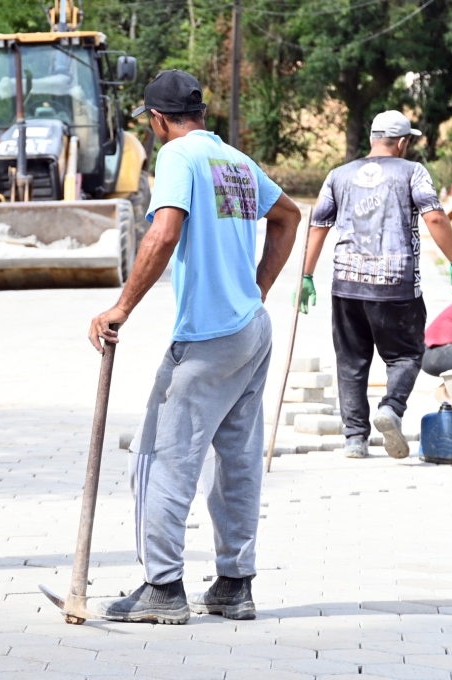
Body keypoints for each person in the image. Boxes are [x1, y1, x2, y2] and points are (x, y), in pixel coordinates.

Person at [87, 69, 301, 624]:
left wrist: (120, 308)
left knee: (161, 459)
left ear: (158, 120)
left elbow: (164, 231)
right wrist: (256, 290)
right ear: (201, 114)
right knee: (238, 460)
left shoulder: (179, 158)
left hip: (207, 337)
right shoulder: (234, 160)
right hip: (251, 330)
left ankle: (163, 589)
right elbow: (288, 216)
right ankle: (235, 584)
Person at [298, 110, 452, 460]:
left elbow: (318, 224)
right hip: (395, 284)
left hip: (346, 284)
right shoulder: (412, 172)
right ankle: (390, 408)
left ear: (373, 138)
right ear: (403, 142)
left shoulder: (338, 175)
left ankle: (355, 439)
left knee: (351, 361)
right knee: (405, 354)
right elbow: (434, 216)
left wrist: (307, 275)